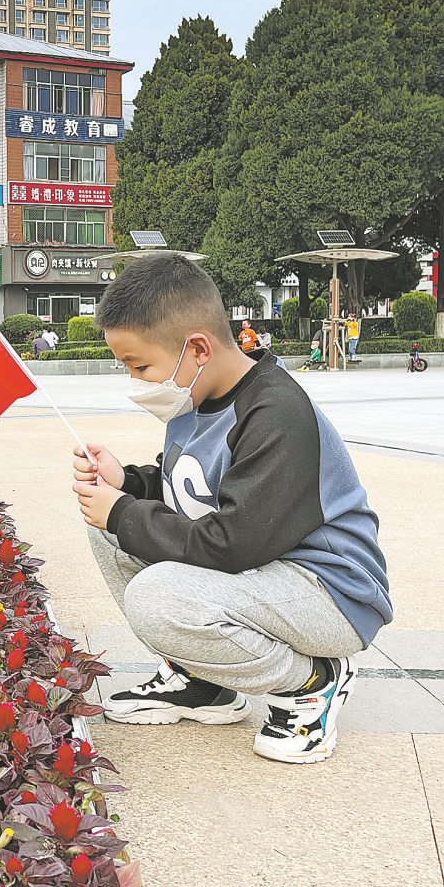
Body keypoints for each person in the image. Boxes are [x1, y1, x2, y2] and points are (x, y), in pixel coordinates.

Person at [69, 254, 391, 764]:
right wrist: (126, 483)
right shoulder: (195, 397)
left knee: (155, 591)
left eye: (140, 366)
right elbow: (185, 488)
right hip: (262, 572)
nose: (135, 382)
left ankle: (312, 681)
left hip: (329, 593)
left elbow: (231, 543)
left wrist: (124, 511)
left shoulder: (275, 412)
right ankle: (201, 681)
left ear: (197, 349)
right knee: (107, 526)